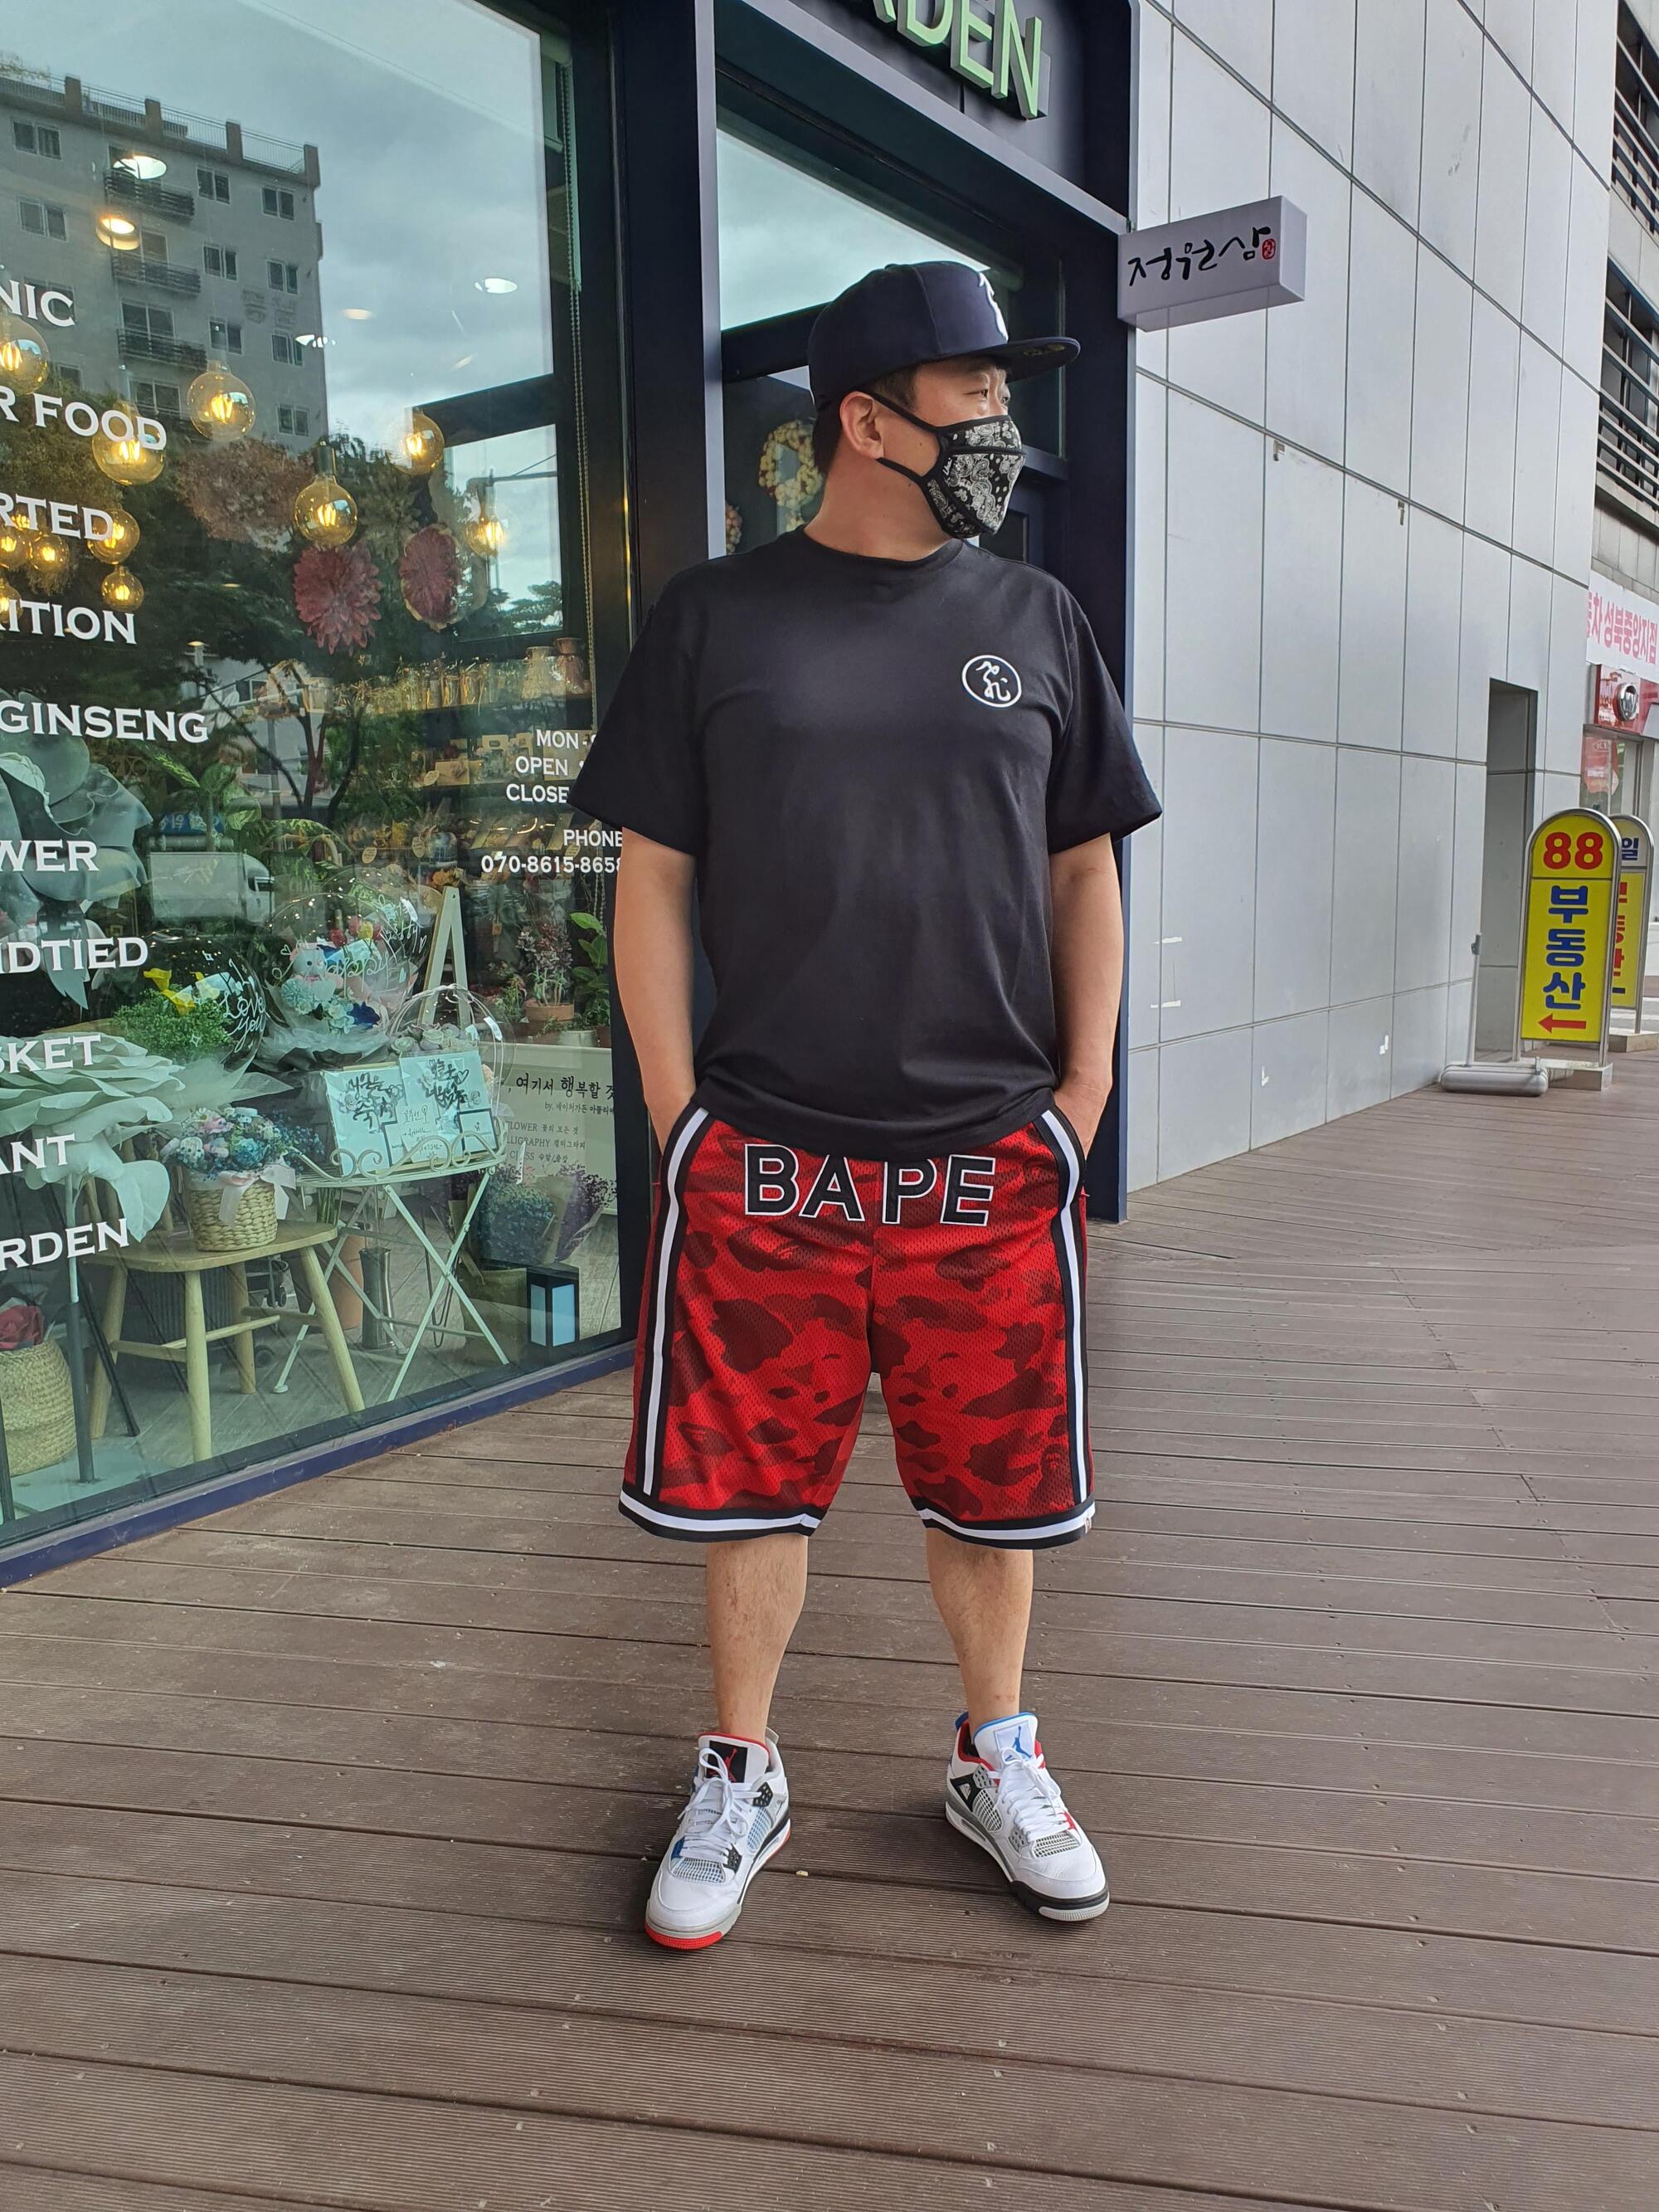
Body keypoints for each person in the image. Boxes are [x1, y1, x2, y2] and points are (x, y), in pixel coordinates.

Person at [570, 261, 1160, 1951]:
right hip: (767, 1157)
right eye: (976, 393)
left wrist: (1081, 1096)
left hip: (990, 1159)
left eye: (1001, 394)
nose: (1001, 426)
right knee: (748, 1490)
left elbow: (1084, 870)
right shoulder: (716, 619)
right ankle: (740, 1767)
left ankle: (996, 1754)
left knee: (996, 1492)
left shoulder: (1036, 620)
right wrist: (678, 1113)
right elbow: (652, 879)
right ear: (866, 420)